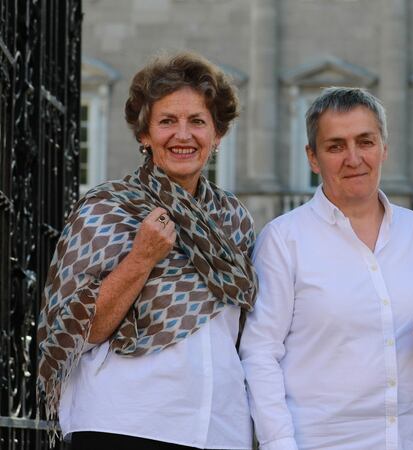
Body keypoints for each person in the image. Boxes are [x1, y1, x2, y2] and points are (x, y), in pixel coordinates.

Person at [36, 52, 257, 450]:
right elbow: (79, 330)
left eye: (197, 121)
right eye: (167, 121)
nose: (183, 135)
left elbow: (248, 334)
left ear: (218, 134)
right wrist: (142, 257)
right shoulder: (107, 208)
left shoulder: (234, 221)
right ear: (145, 135)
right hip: (126, 422)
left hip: (219, 427)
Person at [239, 87, 413, 450]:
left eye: (365, 142)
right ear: (313, 157)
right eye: (336, 146)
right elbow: (260, 353)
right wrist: (279, 444)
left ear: (384, 148)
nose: (354, 158)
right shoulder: (283, 239)